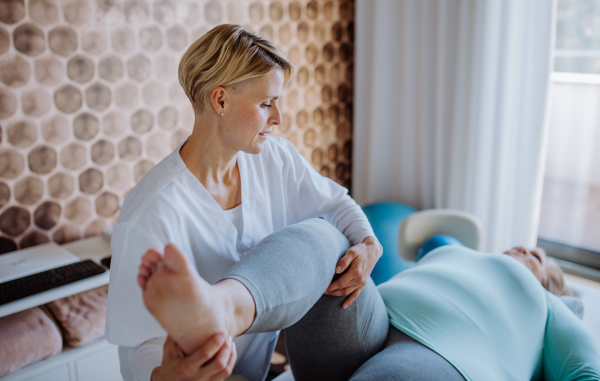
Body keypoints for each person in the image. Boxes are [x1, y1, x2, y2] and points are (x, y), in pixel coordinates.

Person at [105, 24, 383, 381]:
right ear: (219, 100)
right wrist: (165, 376)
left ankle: (222, 307)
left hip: (260, 370)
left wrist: (369, 244)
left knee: (321, 233)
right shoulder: (150, 214)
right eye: (266, 104)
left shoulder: (275, 158)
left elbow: (335, 204)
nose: (278, 119)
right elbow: (137, 347)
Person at [137, 221, 600, 381]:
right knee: (328, 238)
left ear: (549, 283)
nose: (524, 250)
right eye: (523, 245)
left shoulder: (548, 307)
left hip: (446, 357)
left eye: (536, 257)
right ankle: (221, 308)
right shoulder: (459, 253)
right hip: (368, 319)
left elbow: (585, 371)